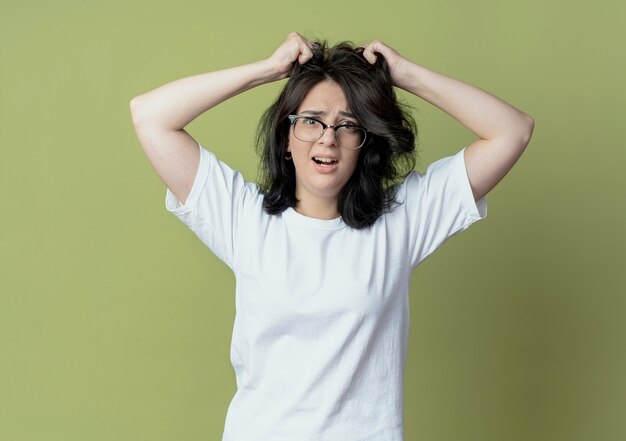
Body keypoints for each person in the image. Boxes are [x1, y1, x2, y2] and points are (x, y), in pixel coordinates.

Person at [130, 32, 534, 441]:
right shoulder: (243, 218)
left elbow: (512, 131)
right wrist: (267, 70)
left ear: (364, 144)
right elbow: (150, 116)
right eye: (311, 121)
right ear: (286, 139)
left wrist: (404, 75)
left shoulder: (402, 221)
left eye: (347, 125)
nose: (328, 137)